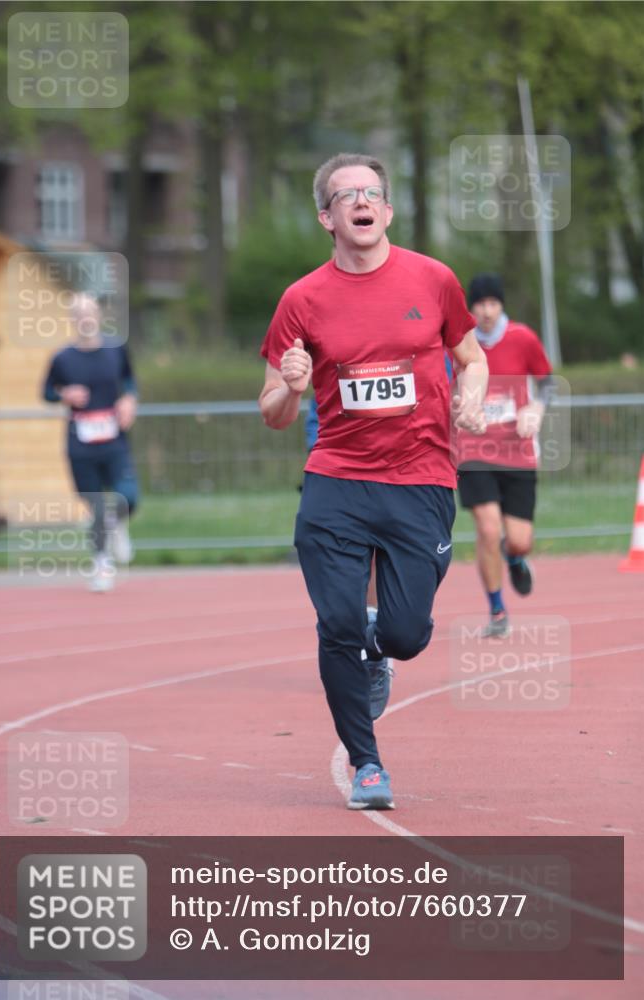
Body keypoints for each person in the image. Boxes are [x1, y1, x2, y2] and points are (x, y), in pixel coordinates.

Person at [259, 152, 488, 810]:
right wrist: (292, 389)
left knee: (405, 634)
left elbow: (470, 359)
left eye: (370, 192)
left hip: (419, 479)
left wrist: (471, 396)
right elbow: (273, 413)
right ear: (326, 217)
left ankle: (381, 646)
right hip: (336, 478)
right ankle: (366, 764)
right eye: (344, 194)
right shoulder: (300, 301)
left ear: (385, 211)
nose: (359, 201)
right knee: (334, 624)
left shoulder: (433, 279)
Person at [455, 273, 554, 637]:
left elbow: (546, 382)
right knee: (487, 526)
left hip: (516, 449)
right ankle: (497, 610)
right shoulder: (459, 343)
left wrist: (537, 411)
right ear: (471, 308)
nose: (486, 312)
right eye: (479, 304)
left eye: (492, 303)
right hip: (473, 448)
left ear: (502, 304)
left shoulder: (522, 337)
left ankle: (514, 557)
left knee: (519, 539)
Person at [41, 293, 139, 592]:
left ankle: (116, 521)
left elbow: (130, 381)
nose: (85, 319)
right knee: (94, 504)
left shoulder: (116, 349)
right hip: (80, 442)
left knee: (128, 497)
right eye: (78, 314)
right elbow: (46, 392)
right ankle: (101, 565)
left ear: (98, 315)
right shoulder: (62, 357)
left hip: (114, 438)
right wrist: (64, 395)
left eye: (89, 313)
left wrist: (129, 401)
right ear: (72, 319)